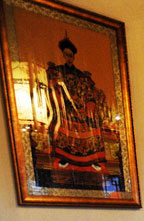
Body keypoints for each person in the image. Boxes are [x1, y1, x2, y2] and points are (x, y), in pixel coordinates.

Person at [45, 34, 108, 171]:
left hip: (81, 108)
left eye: (71, 55)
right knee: (64, 123)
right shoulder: (58, 72)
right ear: (63, 55)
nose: (69, 58)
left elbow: (89, 92)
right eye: (67, 55)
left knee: (93, 124)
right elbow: (54, 88)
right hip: (66, 108)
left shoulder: (81, 75)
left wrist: (87, 106)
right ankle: (65, 157)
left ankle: (93, 158)